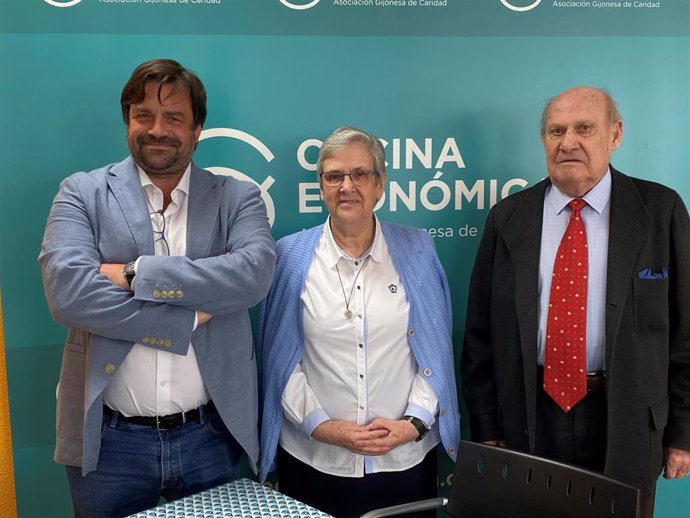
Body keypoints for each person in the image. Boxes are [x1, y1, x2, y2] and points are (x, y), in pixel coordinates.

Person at [39, 58, 276, 518]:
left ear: (197, 128)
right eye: (143, 114)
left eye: (174, 117)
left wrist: (132, 274)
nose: (157, 129)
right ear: (128, 120)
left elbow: (252, 276)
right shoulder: (81, 193)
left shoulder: (236, 197)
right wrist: (184, 318)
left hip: (211, 434)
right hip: (110, 441)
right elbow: (68, 292)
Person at [461, 86, 690, 517]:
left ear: (615, 134)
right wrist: (488, 425)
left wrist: (683, 433)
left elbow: (686, 333)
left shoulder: (661, 210)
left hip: (627, 418)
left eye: (584, 128)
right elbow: (481, 335)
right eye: (556, 131)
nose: (568, 142)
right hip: (532, 414)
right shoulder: (508, 217)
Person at [258, 126, 459, 518]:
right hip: (314, 461)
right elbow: (280, 363)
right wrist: (321, 426)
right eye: (334, 175)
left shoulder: (418, 248)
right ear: (321, 185)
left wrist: (413, 424)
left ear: (380, 184)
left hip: (404, 461)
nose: (346, 186)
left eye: (360, 174)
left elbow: (436, 353)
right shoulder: (289, 256)